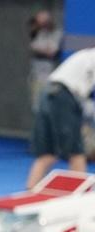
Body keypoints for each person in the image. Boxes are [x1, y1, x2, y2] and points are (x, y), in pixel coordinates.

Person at [26, 47, 95, 187]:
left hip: (48, 94)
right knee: (76, 152)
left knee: (47, 154)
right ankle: (78, 201)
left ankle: (28, 192)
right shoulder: (91, 58)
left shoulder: (84, 56)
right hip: (63, 97)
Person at [29, 10, 63, 111]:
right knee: (37, 107)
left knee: (50, 107)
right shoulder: (38, 34)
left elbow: (52, 52)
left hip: (51, 77)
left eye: (42, 22)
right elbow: (33, 47)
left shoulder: (57, 33)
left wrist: (42, 50)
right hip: (36, 76)